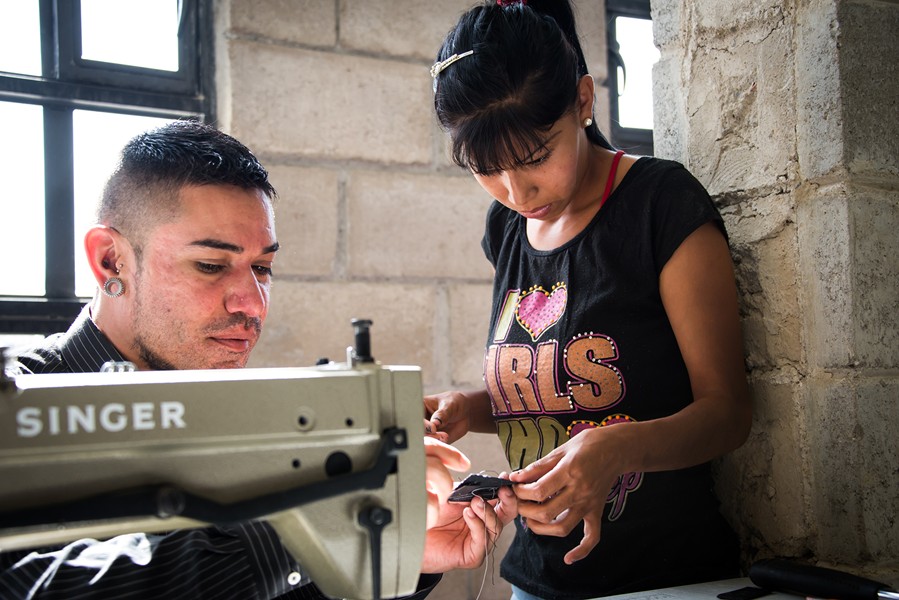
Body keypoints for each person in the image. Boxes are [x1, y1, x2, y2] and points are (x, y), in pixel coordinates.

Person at [1, 120, 516, 599]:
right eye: (210, 265)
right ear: (110, 260)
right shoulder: (15, 404)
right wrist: (315, 522)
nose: (251, 302)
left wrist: (390, 552)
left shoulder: (241, 418)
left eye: (263, 268)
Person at [424, 1, 752, 599]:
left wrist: (617, 448)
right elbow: (559, 389)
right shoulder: (506, 229)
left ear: (582, 100)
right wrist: (469, 409)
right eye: (486, 169)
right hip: (535, 580)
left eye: (533, 159)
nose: (516, 192)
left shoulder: (660, 206)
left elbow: (727, 413)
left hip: (666, 580)